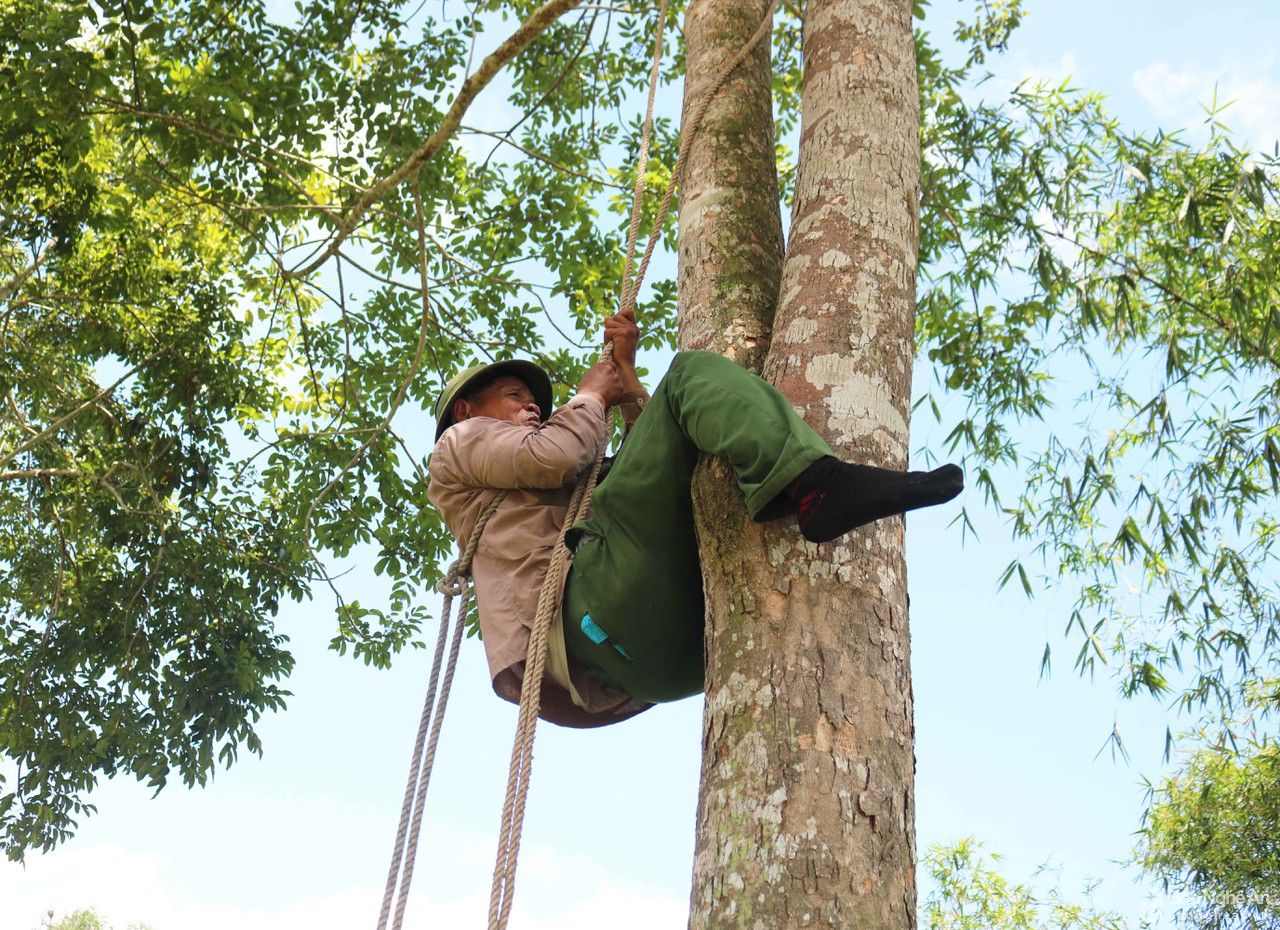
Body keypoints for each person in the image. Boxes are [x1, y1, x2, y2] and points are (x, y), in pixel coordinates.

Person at [426, 309, 963, 727]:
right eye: (516, 397)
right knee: (688, 374)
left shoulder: (551, 489)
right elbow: (557, 456)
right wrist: (590, 395)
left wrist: (628, 379)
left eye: (535, 402)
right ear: (467, 411)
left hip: (657, 662)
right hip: (592, 617)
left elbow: (650, 461)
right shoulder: (459, 444)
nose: (533, 408)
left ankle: (801, 483)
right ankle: (815, 486)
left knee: (681, 425)